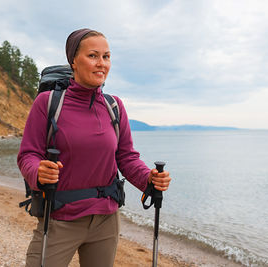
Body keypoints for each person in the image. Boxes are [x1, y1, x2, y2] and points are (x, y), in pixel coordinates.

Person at [17, 28, 172, 267]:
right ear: (73, 62)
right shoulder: (48, 103)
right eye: (93, 56)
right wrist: (38, 171)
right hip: (60, 218)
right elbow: (28, 154)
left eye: (106, 57)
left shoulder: (114, 106)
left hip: (105, 221)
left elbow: (127, 157)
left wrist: (149, 179)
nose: (101, 64)